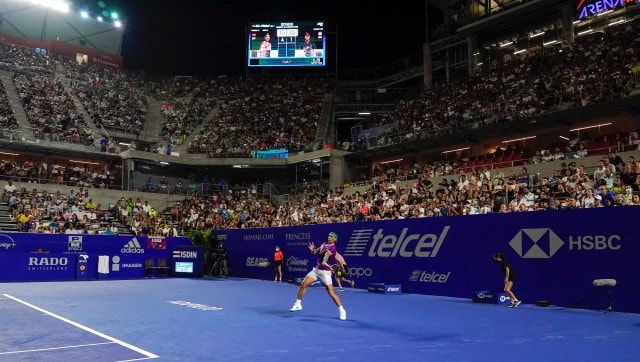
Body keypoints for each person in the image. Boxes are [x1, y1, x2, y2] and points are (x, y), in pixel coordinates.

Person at [290, 232, 347, 320]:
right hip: (317, 270)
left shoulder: (333, 248)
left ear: (335, 239)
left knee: (331, 293)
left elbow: (326, 257)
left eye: (332, 237)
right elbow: (316, 252)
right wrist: (313, 250)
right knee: (303, 284)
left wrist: (325, 262)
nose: (329, 237)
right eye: (329, 236)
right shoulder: (324, 244)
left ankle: (342, 310)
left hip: (326, 272)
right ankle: (297, 304)